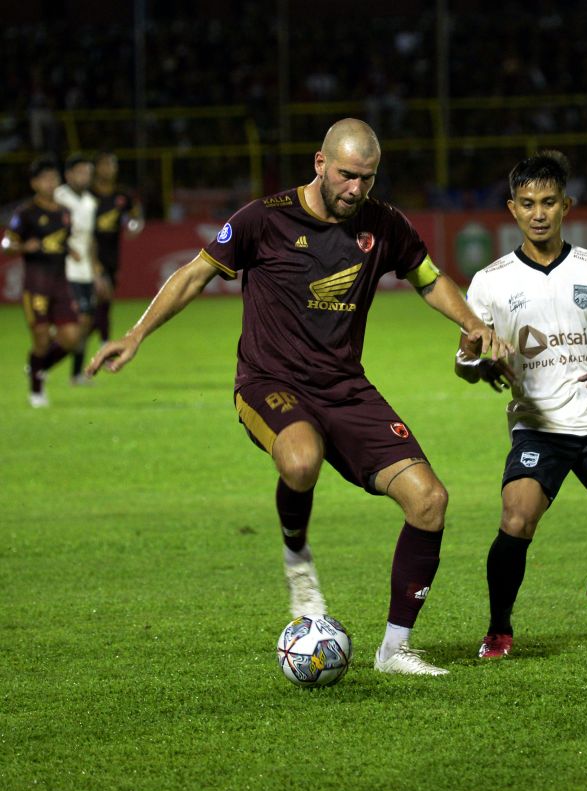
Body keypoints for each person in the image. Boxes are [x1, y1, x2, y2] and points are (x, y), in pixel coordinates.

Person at [88, 119, 509, 677]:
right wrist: (136, 334)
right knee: (302, 458)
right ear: (319, 162)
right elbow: (193, 276)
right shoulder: (264, 219)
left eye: (367, 178)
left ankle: (394, 650)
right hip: (269, 383)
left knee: (430, 501)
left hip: (345, 388)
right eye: (346, 175)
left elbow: (429, 279)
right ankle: (297, 559)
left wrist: (473, 323)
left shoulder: (383, 224)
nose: (356, 189)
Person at [455, 152, 587, 658]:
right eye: (527, 203)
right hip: (538, 426)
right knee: (516, 519)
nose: (538, 213)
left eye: (548, 202)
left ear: (566, 205)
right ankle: (500, 628)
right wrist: (479, 363)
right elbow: (463, 364)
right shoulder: (490, 281)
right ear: (512, 209)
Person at [2, 156, 81, 408]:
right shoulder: (26, 213)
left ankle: (38, 367)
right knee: (41, 338)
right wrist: (24, 245)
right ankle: (37, 391)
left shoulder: (65, 214)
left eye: (54, 178)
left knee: (71, 337)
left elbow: (59, 241)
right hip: (36, 285)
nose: (50, 183)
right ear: (34, 183)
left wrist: (70, 249)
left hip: (60, 284)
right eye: (45, 178)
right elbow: (7, 244)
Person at [53, 152, 104, 386]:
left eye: (88, 173)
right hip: (64, 268)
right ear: (68, 174)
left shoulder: (90, 202)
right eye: (80, 172)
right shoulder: (58, 197)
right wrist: (64, 247)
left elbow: (91, 238)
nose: (85, 176)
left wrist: (95, 267)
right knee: (78, 321)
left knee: (86, 321)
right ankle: (41, 363)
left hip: (83, 269)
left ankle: (75, 374)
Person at [90, 150, 144, 346]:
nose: (109, 169)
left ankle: (77, 350)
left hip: (111, 255)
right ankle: (104, 343)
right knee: (101, 298)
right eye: (105, 164)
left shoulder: (122, 195)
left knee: (101, 305)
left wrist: (134, 226)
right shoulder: (88, 195)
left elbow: (137, 216)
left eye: (112, 165)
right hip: (89, 254)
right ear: (96, 168)